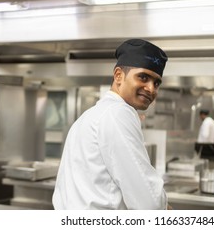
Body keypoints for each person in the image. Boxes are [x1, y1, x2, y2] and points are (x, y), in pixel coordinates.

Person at [52, 38, 169, 210]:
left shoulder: (89, 116)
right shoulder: (118, 113)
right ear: (118, 75)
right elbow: (148, 202)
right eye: (143, 77)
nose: (151, 88)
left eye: (156, 82)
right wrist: (163, 208)